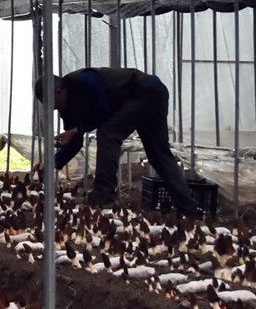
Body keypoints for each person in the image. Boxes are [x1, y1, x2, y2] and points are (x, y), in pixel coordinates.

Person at [33, 67, 195, 211]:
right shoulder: (66, 107)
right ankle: (188, 208)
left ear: (59, 90)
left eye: (52, 102)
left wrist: (77, 130)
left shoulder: (85, 80)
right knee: (159, 155)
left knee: (108, 134)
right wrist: (51, 163)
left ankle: (105, 198)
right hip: (146, 96)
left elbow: (103, 113)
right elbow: (74, 141)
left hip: (148, 91)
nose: (53, 108)